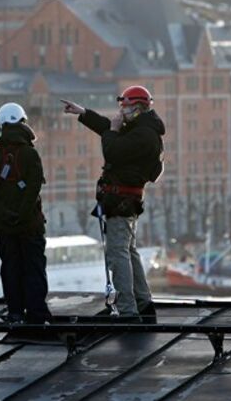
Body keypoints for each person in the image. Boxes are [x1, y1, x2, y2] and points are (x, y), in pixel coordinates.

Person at [62, 85, 164, 321]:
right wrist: (83, 113)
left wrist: (114, 130)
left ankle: (128, 310)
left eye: (125, 107)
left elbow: (112, 149)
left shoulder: (143, 136)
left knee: (118, 253)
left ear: (138, 108)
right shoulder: (142, 129)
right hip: (125, 200)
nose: (121, 112)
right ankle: (143, 303)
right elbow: (109, 129)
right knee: (129, 251)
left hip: (122, 201)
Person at [0, 102, 50, 324]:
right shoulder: (30, 154)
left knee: (10, 267)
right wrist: (22, 213)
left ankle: (15, 312)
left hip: (3, 226)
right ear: (23, 123)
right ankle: (37, 313)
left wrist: (4, 212)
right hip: (30, 224)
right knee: (34, 267)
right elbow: (34, 188)